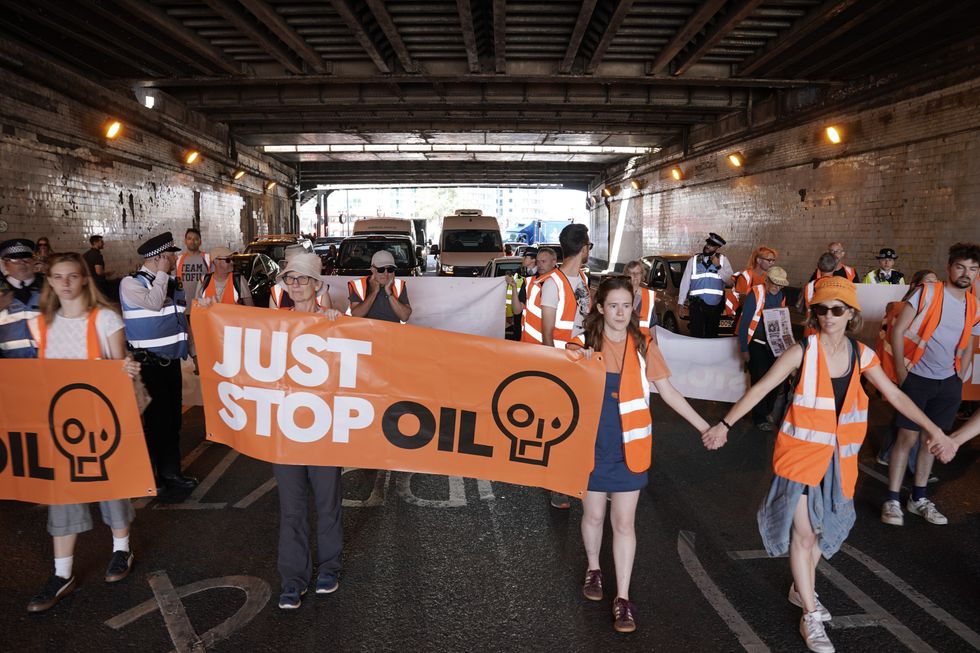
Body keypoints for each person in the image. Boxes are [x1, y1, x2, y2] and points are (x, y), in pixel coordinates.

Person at [701, 277, 948, 653]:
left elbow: (896, 394)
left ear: (851, 315)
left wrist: (934, 430)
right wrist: (724, 424)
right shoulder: (803, 350)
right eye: (821, 309)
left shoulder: (862, 355)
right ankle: (810, 615)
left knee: (824, 531)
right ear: (814, 313)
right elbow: (761, 388)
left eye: (837, 309)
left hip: (839, 460)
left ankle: (801, 588)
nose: (828, 316)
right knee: (804, 535)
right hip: (799, 456)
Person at [577, 277, 710, 633]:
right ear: (601, 308)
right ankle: (594, 569)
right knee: (593, 515)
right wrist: (579, 363)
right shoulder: (584, 343)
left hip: (630, 447)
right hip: (591, 445)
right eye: (613, 306)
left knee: (623, 523)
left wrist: (704, 426)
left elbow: (669, 392)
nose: (621, 313)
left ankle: (623, 598)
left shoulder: (645, 344)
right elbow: (561, 390)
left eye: (626, 305)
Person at [24, 252, 143, 613]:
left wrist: (126, 370)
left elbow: (116, 371)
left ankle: (122, 549)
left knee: (112, 490)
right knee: (63, 497)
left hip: (101, 421)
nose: (64, 283)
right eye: (57, 277)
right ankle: (63, 574)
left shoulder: (104, 319)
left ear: (84, 280)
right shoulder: (40, 324)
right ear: (50, 282)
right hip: (61, 425)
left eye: (72, 276)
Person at [265, 253, 345, 610]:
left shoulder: (335, 323)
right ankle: (293, 579)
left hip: (325, 430)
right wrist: (206, 310)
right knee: (292, 509)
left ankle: (330, 568)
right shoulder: (273, 324)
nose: (295, 285)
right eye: (290, 279)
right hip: (287, 432)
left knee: (328, 505)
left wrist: (337, 324)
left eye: (302, 279)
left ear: (317, 285)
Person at [881, 242, 980, 527]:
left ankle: (919, 498)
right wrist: (902, 373)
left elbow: (969, 339)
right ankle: (892, 499)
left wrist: (961, 372)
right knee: (906, 438)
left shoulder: (973, 303)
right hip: (917, 378)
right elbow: (898, 330)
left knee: (932, 441)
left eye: (973, 269)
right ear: (949, 267)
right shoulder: (928, 292)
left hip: (948, 381)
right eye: (961, 267)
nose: (966, 273)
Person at [119, 232, 198, 491]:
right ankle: (152, 477)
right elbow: (154, 304)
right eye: (170, 255)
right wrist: (163, 275)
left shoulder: (170, 283)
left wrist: (193, 352)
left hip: (171, 363)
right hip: (149, 366)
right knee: (155, 424)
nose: (175, 258)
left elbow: (180, 321)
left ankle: (170, 474)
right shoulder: (132, 284)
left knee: (172, 421)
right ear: (160, 258)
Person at [524, 225, 592, 509]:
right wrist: (555, 372)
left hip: (580, 363)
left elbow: (584, 321)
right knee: (558, 428)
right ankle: (557, 485)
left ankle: (573, 477)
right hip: (559, 367)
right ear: (585, 248)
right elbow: (548, 332)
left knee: (577, 426)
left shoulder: (582, 280)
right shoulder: (553, 283)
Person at [873, 269, 939, 470]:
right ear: (914, 286)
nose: (932, 288)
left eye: (935, 284)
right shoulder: (900, 309)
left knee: (906, 415)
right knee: (912, 418)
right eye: (927, 283)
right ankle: (909, 464)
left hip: (915, 369)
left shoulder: (927, 310)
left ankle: (887, 454)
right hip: (904, 370)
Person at [737, 266, 789, 431]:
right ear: (766, 281)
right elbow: (744, 323)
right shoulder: (756, 294)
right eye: (774, 284)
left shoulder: (780, 295)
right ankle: (759, 418)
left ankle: (766, 411)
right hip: (757, 345)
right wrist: (745, 349)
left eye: (780, 285)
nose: (777, 288)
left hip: (774, 346)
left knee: (775, 380)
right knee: (759, 381)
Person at [678, 232, 733, 338]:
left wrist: (719, 267)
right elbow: (685, 282)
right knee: (696, 336)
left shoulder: (723, 260)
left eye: (711, 245)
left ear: (717, 247)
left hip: (715, 308)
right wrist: (680, 303)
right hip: (696, 306)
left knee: (711, 337)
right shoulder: (693, 261)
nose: (707, 246)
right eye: (707, 243)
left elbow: (730, 281)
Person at [0, 238, 42, 358]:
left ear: (34, 261)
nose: (22, 263)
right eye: (15, 259)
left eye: (26, 258)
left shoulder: (49, 288)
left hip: (45, 364)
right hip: (8, 366)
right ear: (5, 263)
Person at [347, 250, 411, 323]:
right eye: (381, 269)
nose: (386, 274)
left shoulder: (398, 285)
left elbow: (405, 316)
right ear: (373, 270)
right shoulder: (359, 285)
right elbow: (356, 315)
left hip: (392, 332)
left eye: (390, 269)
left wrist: (389, 292)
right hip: (366, 332)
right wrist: (374, 292)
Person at [726, 246, 777, 319]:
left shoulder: (769, 277)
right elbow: (743, 302)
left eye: (773, 260)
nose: (772, 263)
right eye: (769, 260)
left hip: (762, 315)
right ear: (758, 260)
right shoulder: (745, 276)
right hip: (745, 315)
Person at [800, 253, 838, 338]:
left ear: (818, 266)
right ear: (835, 267)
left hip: (810, 330)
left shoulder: (809, 286)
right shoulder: (839, 286)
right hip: (830, 330)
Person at [504, 246, 538, 341]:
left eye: (525, 257)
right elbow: (510, 294)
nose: (522, 259)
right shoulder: (518, 273)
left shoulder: (541, 275)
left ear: (533, 259)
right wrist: (509, 314)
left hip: (533, 317)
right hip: (518, 316)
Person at [623, 260, 658, 342]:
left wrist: (655, 347)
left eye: (638, 273)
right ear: (626, 275)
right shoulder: (619, 295)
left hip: (642, 345)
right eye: (631, 273)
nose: (635, 276)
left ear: (642, 275)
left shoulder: (649, 296)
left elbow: (652, 326)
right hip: (623, 345)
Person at [175, 228, 211, 303]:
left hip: (203, 304)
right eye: (189, 239)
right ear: (185, 241)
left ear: (200, 242)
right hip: (183, 305)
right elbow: (175, 282)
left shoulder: (207, 258)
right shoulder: (178, 259)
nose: (192, 241)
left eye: (196, 239)